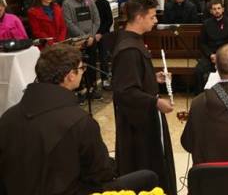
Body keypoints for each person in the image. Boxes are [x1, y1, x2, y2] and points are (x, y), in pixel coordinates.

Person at [0, 45, 158, 194]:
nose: (83, 72)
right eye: (82, 68)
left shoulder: (7, 117)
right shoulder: (79, 121)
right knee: (147, 178)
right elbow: (101, 175)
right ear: (70, 76)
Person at [110, 0, 177, 194]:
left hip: (143, 116)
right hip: (138, 125)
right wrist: (156, 102)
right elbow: (126, 91)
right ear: (139, 17)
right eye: (152, 16)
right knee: (145, 162)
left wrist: (152, 78)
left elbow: (133, 78)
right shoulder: (128, 50)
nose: (155, 21)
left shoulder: (132, 41)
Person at [62, 0, 102, 101]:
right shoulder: (67, 3)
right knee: (78, 65)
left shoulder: (89, 1)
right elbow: (68, 23)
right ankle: (80, 90)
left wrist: (91, 36)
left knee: (91, 63)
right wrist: (83, 37)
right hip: (77, 41)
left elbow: (96, 20)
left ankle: (92, 88)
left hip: (90, 39)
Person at [196, 0, 228, 94]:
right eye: (214, 9)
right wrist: (210, 55)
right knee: (199, 70)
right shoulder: (206, 24)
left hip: (225, 54)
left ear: (223, 9)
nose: (217, 11)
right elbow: (202, 43)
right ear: (211, 11)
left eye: (218, 8)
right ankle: (201, 95)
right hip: (210, 55)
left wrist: (221, 55)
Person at [89, 0, 114, 90]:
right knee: (92, 57)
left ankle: (105, 79)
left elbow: (108, 20)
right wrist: (93, 34)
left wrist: (100, 33)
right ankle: (92, 82)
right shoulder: (87, 2)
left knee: (104, 57)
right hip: (90, 34)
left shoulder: (104, 3)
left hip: (103, 33)